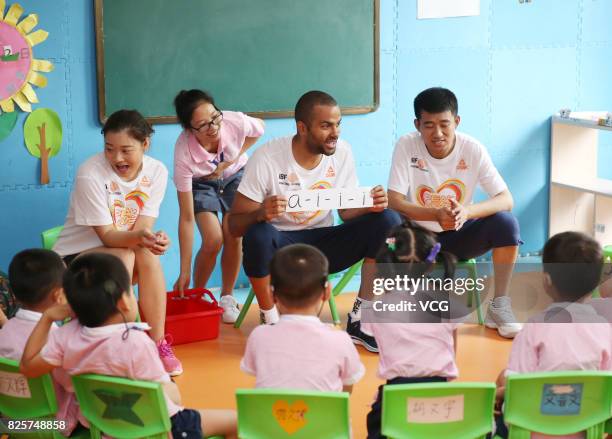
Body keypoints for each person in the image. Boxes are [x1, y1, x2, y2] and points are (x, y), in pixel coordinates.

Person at [228, 90, 401, 351]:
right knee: (257, 233)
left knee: (388, 219)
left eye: (338, 124)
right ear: (302, 128)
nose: (335, 133)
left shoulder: (341, 152)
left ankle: (362, 318)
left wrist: (369, 206)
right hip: (281, 249)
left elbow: (346, 212)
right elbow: (233, 225)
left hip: (324, 242)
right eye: (326, 126)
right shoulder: (267, 158)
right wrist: (259, 213)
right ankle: (272, 321)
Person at [20, 253, 237, 439]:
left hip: (105, 429)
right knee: (236, 420)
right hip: (163, 429)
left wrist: (47, 318)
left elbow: (28, 367)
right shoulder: (136, 342)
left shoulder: (64, 337)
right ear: (124, 302)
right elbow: (169, 397)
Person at [52, 110, 181, 375]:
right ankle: (125, 344)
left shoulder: (156, 171)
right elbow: (108, 236)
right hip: (74, 261)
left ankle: (157, 344)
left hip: (122, 252)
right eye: (109, 149)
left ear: (145, 144)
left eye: (126, 150)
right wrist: (141, 239)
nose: (116, 158)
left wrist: (151, 239)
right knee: (123, 256)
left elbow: (141, 228)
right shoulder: (91, 173)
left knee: (145, 254)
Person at [388, 87, 523, 338]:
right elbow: (394, 200)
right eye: (428, 125)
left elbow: (506, 199)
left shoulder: (472, 149)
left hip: (459, 233)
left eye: (444, 124)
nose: (437, 133)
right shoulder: (406, 145)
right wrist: (433, 215)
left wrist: (467, 212)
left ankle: (499, 306)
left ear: (456, 122)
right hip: (419, 238)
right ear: (417, 125)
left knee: (506, 224)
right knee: (387, 224)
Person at [495, 231, 612, 439]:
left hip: (530, 428)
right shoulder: (604, 329)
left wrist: (499, 394)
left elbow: (517, 385)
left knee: (503, 379)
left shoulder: (534, 328)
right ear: (595, 283)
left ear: (546, 280)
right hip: (585, 427)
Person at [173, 90, 265, 323]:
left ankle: (227, 297)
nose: (213, 127)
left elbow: (259, 128)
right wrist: (183, 270)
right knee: (213, 239)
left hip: (234, 176)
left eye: (215, 117)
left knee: (233, 233)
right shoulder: (183, 153)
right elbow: (186, 218)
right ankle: (197, 294)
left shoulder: (233, 121)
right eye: (203, 125)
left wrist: (232, 159)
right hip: (202, 183)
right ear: (189, 129)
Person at [361, 223, 460, 439]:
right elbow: (452, 352)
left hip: (396, 396)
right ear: (432, 263)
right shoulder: (446, 303)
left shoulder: (377, 309)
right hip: (442, 398)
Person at [240, 244, 365, 391]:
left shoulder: (258, 336)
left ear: (271, 295)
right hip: (323, 413)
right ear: (326, 292)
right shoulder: (341, 340)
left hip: (273, 413)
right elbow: (347, 389)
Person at [0, 249, 73, 436]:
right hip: (51, 427)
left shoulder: (5, 331)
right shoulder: (55, 340)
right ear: (59, 295)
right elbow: (72, 385)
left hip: (11, 424)